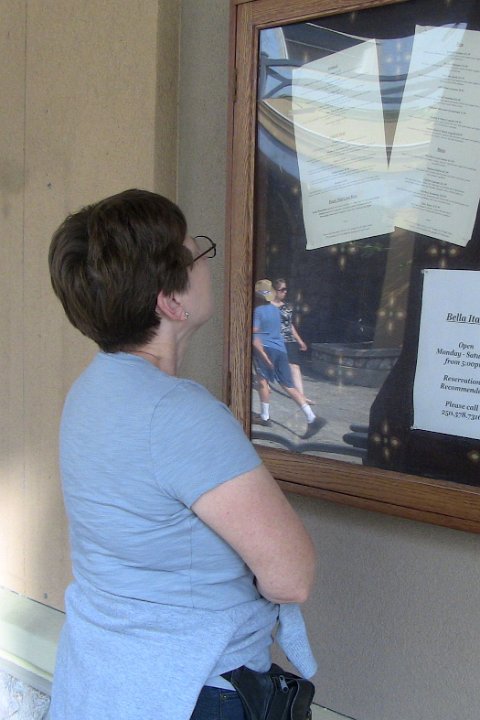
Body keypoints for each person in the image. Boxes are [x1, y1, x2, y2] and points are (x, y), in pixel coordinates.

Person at [47, 189, 317, 720]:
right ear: (171, 302)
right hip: (191, 692)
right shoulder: (179, 414)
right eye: (198, 254)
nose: (207, 264)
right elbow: (292, 577)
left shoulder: (89, 391)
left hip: (101, 678)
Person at [252, 279, 323, 439]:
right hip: (281, 350)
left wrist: (264, 357)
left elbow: (256, 336)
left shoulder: (259, 311)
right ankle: (311, 417)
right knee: (288, 385)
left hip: (267, 349)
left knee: (263, 382)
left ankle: (265, 417)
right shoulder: (277, 311)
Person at [271, 278, 312, 403]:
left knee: (295, 366)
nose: (285, 292)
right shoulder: (268, 307)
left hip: (289, 340)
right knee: (272, 367)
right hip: (275, 341)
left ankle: (301, 396)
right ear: (275, 291)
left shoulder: (287, 307)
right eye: (282, 289)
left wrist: (299, 341)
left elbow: (290, 325)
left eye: (286, 289)